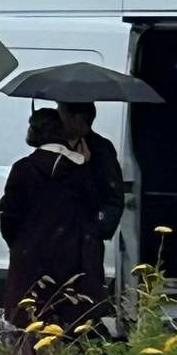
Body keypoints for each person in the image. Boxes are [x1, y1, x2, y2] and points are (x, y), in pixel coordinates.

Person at [3, 108, 111, 332]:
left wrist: (22, 245)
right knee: (73, 333)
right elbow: (94, 209)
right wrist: (85, 163)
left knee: (33, 334)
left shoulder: (23, 169)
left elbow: (9, 217)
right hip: (73, 263)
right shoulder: (80, 171)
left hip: (31, 263)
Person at [57, 101, 129, 248]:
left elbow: (113, 197)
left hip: (84, 240)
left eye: (61, 112)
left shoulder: (101, 149)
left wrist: (95, 230)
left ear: (77, 118)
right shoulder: (55, 144)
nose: (58, 118)